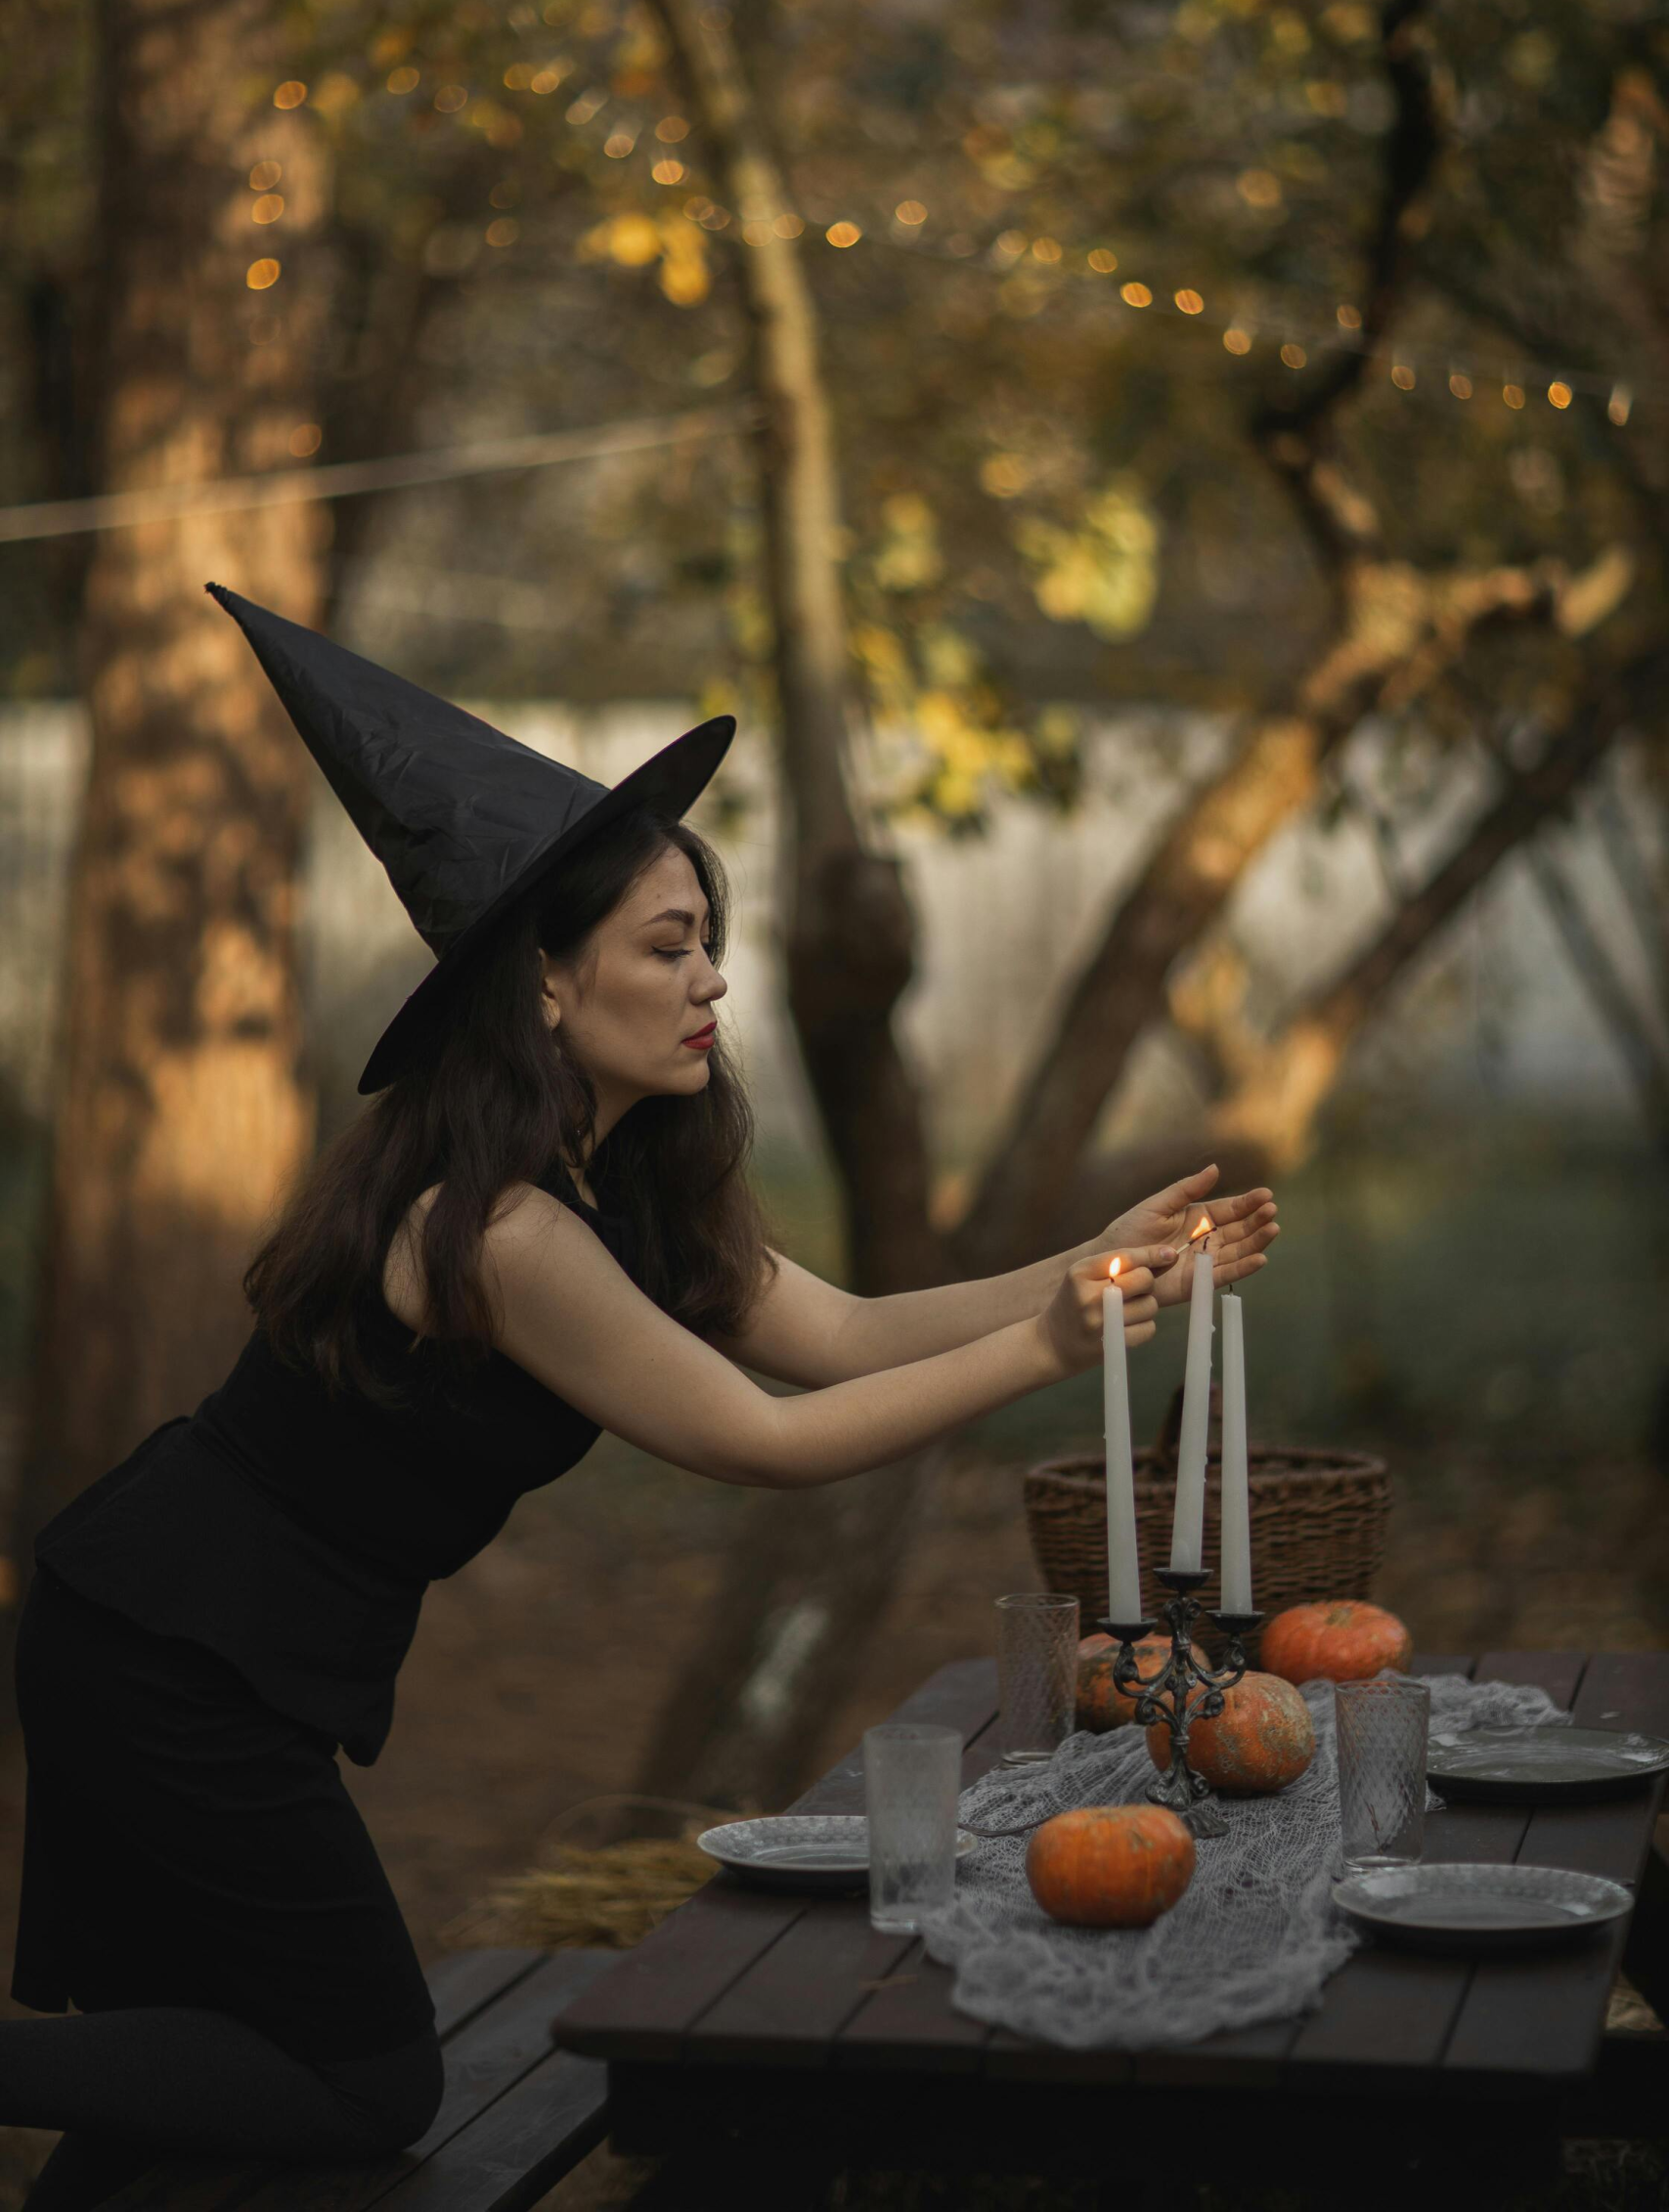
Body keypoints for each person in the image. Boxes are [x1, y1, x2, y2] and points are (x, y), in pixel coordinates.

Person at [5, 588, 1279, 2208]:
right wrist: (1058, 1345)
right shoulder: (505, 1232)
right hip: (170, 1653)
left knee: (199, 2067)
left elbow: (838, 1335)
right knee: (366, 2078)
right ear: (543, 985)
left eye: (708, 948)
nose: (709, 987)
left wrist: (1074, 1275)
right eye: (667, 949)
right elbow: (768, 1439)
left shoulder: (622, 1179)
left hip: (190, 1634)